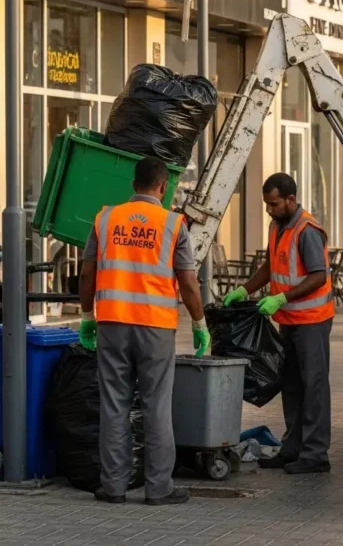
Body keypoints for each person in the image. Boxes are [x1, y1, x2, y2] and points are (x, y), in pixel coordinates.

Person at [78, 156, 210, 506]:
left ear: (133, 184)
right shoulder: (172, 224)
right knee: (156, 406)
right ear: (163, 186)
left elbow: (88, 274)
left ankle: (114, 486)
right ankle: (158, 488)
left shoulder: (105, 219)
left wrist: (87, 316)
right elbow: (188, 282)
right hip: (155, 328)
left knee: (114, 406)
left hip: (113, 324)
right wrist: (199, 323)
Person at [223, 172, 333, 474]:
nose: (269, 210)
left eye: (273, 204)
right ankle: (293, 447)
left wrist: (282, 298)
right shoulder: (278, 226)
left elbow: (318, 275)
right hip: (289, 320)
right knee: (292, 385)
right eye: (267, 205)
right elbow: (271, 266)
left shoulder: (307, 230)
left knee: (314, 386)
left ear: (290, 200)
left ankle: (315, 454)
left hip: (312, 320)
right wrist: (246, 289)